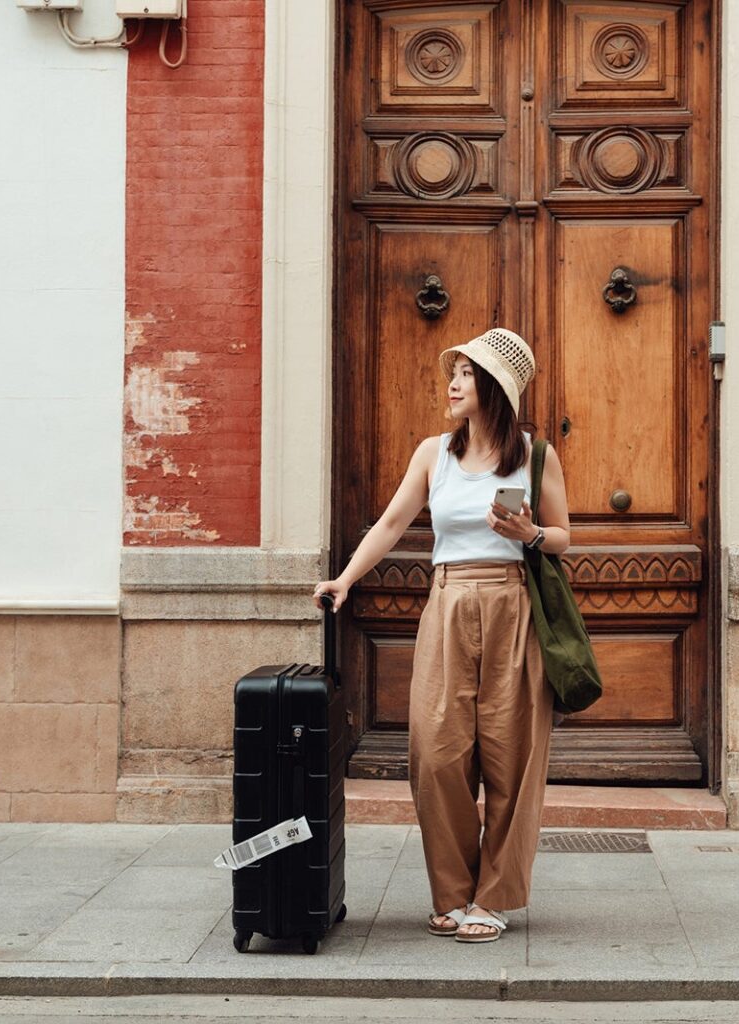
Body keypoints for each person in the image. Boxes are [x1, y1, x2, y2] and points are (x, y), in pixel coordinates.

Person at [312, 327, 571, 944]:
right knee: (435, 753)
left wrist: (530, 534)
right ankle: (453, 893)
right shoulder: (434, 453)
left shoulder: (535, 456)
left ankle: (493, 898)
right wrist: (345, 579)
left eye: (466, 374)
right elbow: (390, 523)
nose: (452, 384)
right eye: (454, 373)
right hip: (449, 602)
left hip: (514, 605)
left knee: (511, 756)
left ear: (495, 389)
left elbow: (563, 537)